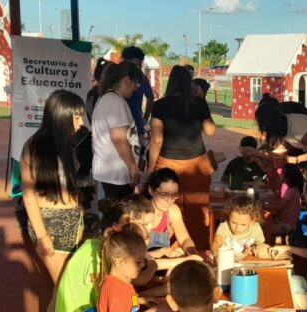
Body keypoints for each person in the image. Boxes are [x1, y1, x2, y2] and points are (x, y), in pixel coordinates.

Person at [54, 195, 155, 312]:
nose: (143, 265)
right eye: (139, 261)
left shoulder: (113, 274)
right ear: (119, 260)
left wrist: (141, 299)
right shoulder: (115, 284)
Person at [21, 89, 86, 312]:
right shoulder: (34, 147)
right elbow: (28, 196)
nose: (80, 122)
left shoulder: (66, 144)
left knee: (64, 288)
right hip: (49, 225)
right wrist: (43, 236)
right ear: (62, 116)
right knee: (63, 290)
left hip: (73, 222)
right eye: (76, 116)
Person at [148, 66, 216, 249]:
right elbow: (210, 131)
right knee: (198, 212)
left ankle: (169, 252)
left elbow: (156, 139)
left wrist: (150, 167)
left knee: (167, 210)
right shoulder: (199, 103)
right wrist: (203, 103)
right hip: (197, 163)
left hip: (168, 162)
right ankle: (199, 253)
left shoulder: (159, 105)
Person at [91, 61, 143, 200]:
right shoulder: (115, 102)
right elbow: (118, 138)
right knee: (117, 217)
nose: (136, 89)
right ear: (126, 80)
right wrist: (133, 167)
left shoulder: (107, 98)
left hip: (110, 172)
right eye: (136, 84)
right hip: (115, 174)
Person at [144, 168, 199, 256]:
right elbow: (134, 257)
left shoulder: (173, 210)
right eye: (164, 195)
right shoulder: (139, 212)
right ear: (151, 190)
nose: (169, 200)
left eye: (174, 195)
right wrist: (161, 252)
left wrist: (191, 252)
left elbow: (185, 239)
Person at [122, 46, 155, 150]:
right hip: (119, 128)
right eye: (137, 64)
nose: (139, 67)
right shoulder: (115, 77)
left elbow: (150, 96)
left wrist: (145, 117)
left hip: (137, 127)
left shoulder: (142, 78)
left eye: (141, 64)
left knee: (138, 159)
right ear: (125, 62)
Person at [263, 163, 303, 239]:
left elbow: (278, 207)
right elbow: (280, 203)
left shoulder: (291, 190)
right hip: (288, 222)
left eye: (282, 173)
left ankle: (268, 245)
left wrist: (263, 204)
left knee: (264, 227)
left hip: (287, 225)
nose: (280, 174)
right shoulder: (293, 189)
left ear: (287, 176)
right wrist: (265, 200)